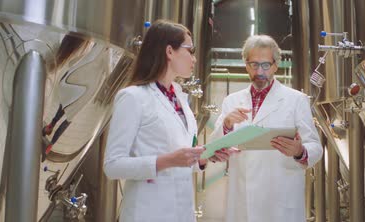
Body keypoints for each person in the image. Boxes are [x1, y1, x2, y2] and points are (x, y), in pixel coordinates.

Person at [210, 35, 323, 222]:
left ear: (276, 66)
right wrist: (227, 125)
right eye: (254, 65)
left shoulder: (296, 100)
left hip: (279, 199)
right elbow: (213, 150)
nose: (259, 71)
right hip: (242, 198)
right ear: (246, 65)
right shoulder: (232, 101)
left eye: (265, 65)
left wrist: (299, 151)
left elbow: (315, 147)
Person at [104, 20, 207, 221]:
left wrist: (202, 158)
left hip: (182, 210)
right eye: (190, 50)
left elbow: (180, 158)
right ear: (170, 51)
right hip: (148, 212)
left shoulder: (179, 98)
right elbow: (112, 165)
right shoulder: (133, 97)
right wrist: (167, 160)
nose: (194, 59)